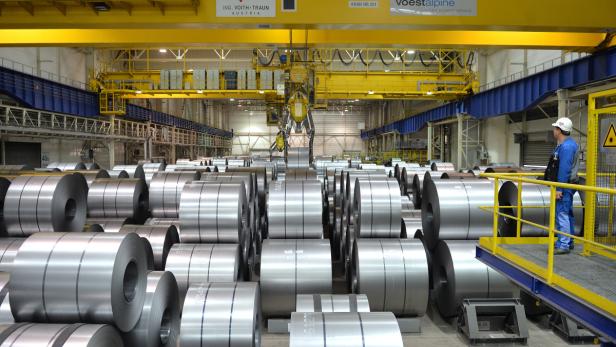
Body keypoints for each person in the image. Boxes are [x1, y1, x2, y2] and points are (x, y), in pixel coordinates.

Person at [544, 117, 580, 254]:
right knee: (567, 212)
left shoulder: (566, 147)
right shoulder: (566, 144)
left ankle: (563, 245)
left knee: (562, 213)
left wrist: (559, 189)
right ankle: (567, 241)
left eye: (555, 128)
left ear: (559, 130)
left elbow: (564, 170)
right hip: (567, 185)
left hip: (564, 186)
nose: (554, 130)